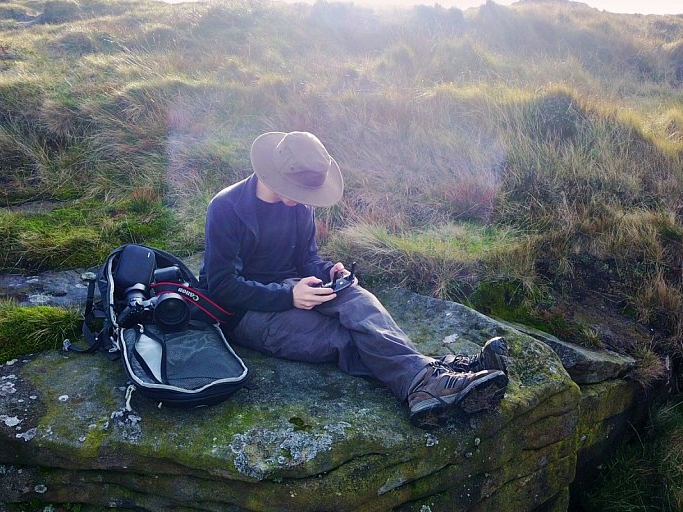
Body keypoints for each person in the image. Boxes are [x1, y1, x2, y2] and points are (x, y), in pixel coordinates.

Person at [200, 131, 509, 429]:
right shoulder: (226, 208)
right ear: (276, 174)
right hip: (248, 312)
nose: (304, 198)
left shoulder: (299, 206)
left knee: (361, 305)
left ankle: (430, 380)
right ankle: (443, 373)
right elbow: (222, 286)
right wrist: (289, 297)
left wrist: (328, 272)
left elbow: (305, 259)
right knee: (340, 337)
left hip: (298, 287)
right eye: (298, 191)